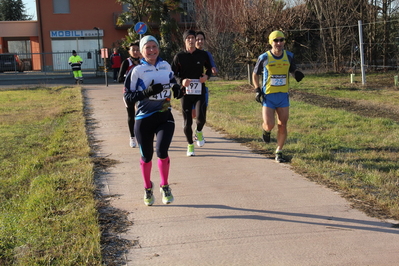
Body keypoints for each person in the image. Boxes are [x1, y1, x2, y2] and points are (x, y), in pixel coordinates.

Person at [123, 35, 183, 206]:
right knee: (146, 156)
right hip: (144, 119)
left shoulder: (165, 65)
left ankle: (165, 186)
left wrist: (178, 89)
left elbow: (172, 82)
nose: (151, 50)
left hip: (165, 116)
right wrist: (146, 93)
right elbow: (127, 97)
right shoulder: (136, 71)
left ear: (158, 48)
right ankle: (147, 187)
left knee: (162, 151)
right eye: (147, 48)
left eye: (154, 47)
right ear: (141, 52)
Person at [252, 30, 304, 163]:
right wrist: (257, 89)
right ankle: (266, 130)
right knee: (270, 124)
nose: (279, 43)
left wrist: (296, 73)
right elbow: (255, 74)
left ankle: (279, 151)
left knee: (283, 125)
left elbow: (292, 69)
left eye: (281, 40)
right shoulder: (264, 57)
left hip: (283, 96)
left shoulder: (289, 56)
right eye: (276, 40)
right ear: (271, 42)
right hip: (268, 96)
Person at [171, 30, 212, 156]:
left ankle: (199, 131)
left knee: (201, 118)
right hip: (185, 93)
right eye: (188, 38)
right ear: (185, 41)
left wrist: (206, 76)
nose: (191, 40)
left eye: (192, 37)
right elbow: (172, 73)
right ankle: (190, 145)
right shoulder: (179, 56)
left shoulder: (202, 54)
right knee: (187, 121)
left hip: (199, 91)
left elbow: (209, 68)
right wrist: (181, 81)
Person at [118, 41, 142, 148]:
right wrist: (129, 78)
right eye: (133, 50)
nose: (136, 52)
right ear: (129, 52)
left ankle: (141, 134)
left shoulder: (143, 62)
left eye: (137, 50)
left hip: (141, 92)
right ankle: (132, 137)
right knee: (131, 114)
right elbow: (119, 78)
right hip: (129, 93)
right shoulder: (126, 62)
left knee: (141, 115)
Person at [192, 31, 218, 121]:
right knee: (192, 114)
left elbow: (212, 65)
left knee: (201, 113)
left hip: (202, 86)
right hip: (190, 87)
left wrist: (213, 69)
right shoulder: (189, 53)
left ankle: (198, 131)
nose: (200, 41)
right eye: (198, 39)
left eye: (202, 39)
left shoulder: (206, 54)